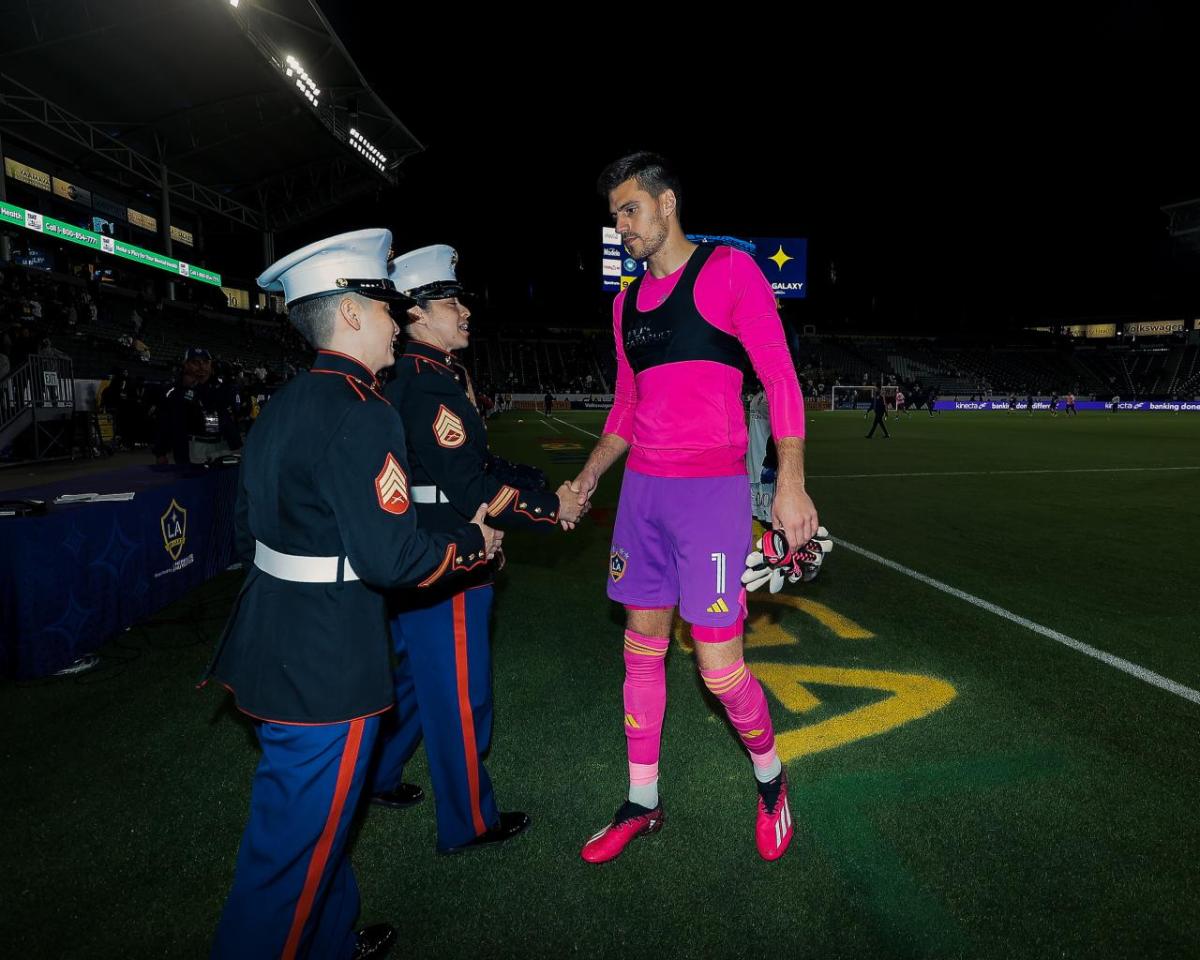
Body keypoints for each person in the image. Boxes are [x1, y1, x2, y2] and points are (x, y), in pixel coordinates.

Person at [203, 228, 502, 960]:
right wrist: (473, 544)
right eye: (383, 305)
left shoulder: (287, 401)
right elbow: (394, 557)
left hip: (273, 637)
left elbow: (246, 528)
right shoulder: (363, 413)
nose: (397, 319)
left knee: (318, 828)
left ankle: (330, 939)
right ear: (349, 315)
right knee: (290, 857)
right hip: (327, 663)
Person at [569, 152, 818, 864]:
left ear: (667, 202)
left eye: (630, 210)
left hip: (711, 495)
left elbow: (777, 374)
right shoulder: (623, 306)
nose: (621, 227)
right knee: (640, 647)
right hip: (642, 497)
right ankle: (643, 801)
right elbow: (625, 406)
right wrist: (588, 477)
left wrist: (791, 479)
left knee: (717, 668)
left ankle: (771, 780)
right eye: (614, 216)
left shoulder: (730, 273)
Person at [369, 244, 585, 853]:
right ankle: (468, 822)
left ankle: (380, 777)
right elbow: (467, 486)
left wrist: (530, 479)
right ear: (415, 314)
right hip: (448, 562)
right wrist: (552, 508)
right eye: (449, 301)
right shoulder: (430, 385)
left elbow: (471, 463)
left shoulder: (425, 377)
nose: (464, 310)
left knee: (414, 682)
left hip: (421, 556)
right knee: (461, 697)